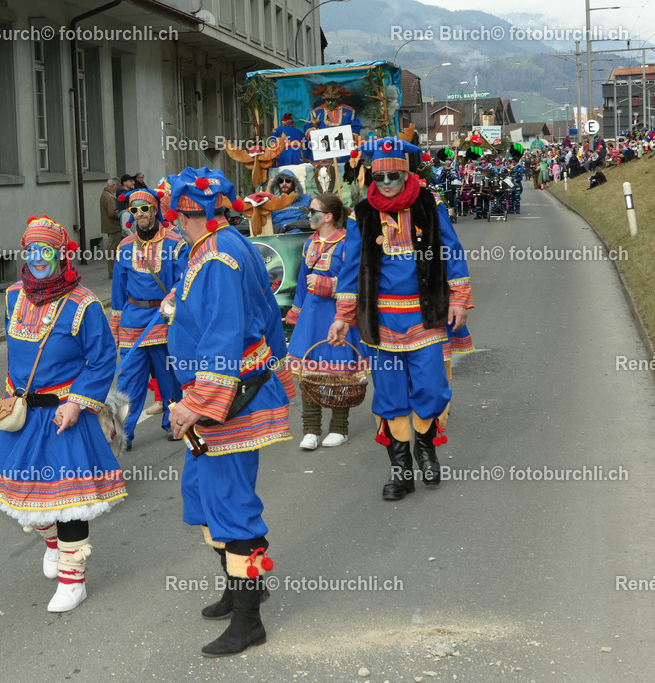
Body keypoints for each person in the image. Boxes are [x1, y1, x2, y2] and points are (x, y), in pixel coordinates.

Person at [164, 166, 297, 657]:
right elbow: (267, 311)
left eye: (176, 216)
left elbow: (223, 332)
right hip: (225, 391)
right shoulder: (223, 245)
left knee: (230, 503)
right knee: (203, 494)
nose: (174, 224)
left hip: (228, 399)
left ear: (183, 214)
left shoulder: (219, 257)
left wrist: (196, 405)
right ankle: (242, 586)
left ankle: (249, 620)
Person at [0, 216, 125, 613]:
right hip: (23, 414)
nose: (37, 259)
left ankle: (72, 580)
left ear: (61, 255)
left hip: (65, 416)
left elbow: (101, 360)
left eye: (45, 251)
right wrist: (11, 396)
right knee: (24, 495)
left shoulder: (84, 303)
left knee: (69, 502)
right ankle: (51, 541)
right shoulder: (12, 297)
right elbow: (14, 355)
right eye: (30, 251)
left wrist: (78, 402)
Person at [328, 138, 473, 501]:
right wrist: (343, 316)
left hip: (426, 316)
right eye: (379, 177)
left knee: (432, 388)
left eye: (393, 175)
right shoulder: (362, 214)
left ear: (406, 172)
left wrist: (459, 299)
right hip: (380, 321)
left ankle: (426, 447)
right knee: (389, 396)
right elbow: (350, 270)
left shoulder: (430, 203)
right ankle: (401, 471)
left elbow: (451, 252)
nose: (387, 183)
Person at [284, 193, 367, 450]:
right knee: (308, 371)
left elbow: (359, 279)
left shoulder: (347, 242)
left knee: (339, 373)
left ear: (328, 216)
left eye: (313, 211)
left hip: (338, 314)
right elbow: (302, 281)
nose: (309, 216)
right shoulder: (309, 243)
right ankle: (310, 429)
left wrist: (328, 285)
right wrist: (296, 310)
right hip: (311, 315)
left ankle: (339, 427)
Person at [110, 188, 188, 450]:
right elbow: (118, 289)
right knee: (128, 381)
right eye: (135, 210)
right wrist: (116, 326)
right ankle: (122, 434)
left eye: (145, 208)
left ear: (155, 210)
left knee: (169, 377)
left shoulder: (175, 243)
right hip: (133, 320)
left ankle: (173, 421)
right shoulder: (124, 247)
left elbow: (184, 279)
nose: (141, 214)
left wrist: (173, 299)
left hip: (164, 319)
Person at [100, 177, 122, 278]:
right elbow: (112, 213)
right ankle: (112, 272)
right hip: (113, 226)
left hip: (110, 225)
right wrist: (122, 213)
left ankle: (112, 271)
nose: (117, 189)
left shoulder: (104, 195)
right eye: (117, 186)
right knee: (112, 250)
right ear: (113, 186)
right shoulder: (109, 196)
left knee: (112, 249)